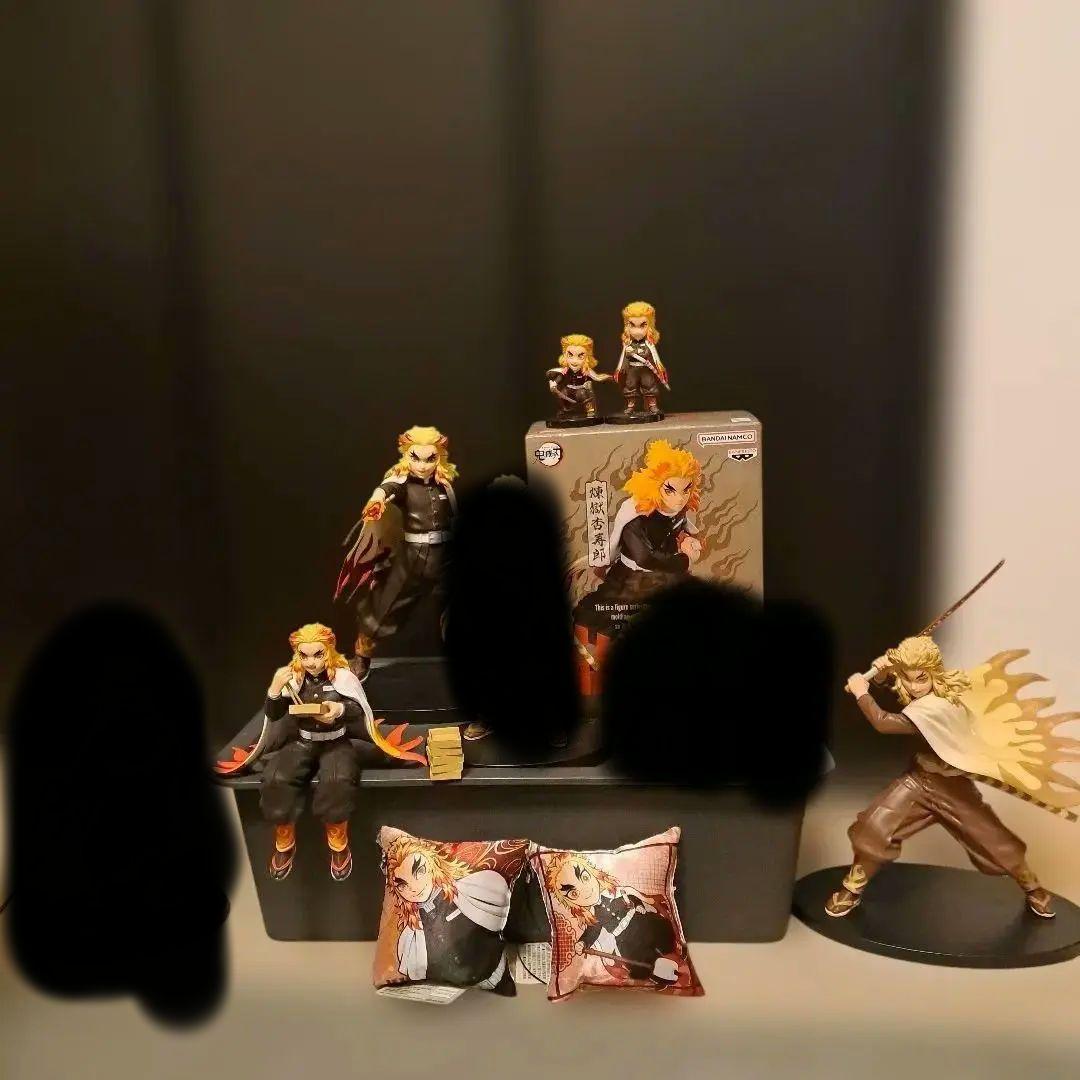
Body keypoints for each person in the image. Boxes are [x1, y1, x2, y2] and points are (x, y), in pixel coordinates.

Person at [827, 635, 1057, 918]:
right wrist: (885, 674)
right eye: (908, 678)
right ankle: (852, 888)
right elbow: (906, 694)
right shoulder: (923, 697)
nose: (914, 686)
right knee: (873, 828)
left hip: (952, 787)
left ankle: (1032, 887)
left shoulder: (943, 703)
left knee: (993, 839)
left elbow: (885, 723)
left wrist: (862, 692)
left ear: (934, 673)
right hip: (919, 782)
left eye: (921, 678)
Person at [572, 440, 702, 694]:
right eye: (671, 490)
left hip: (668, 577)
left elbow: (679, 529)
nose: (679, 498)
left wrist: (688, 540)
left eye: (686, 490)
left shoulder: (679, 508)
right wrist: (685, 560)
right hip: (632, 577)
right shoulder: (636, 514)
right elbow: (644, 557)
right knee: (599, 620)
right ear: (655, 486)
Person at [335, 426, 458, 680]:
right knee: (384, 606)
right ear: (406, 455)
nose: (422, 466)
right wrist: (376, 501)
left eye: (430, 459)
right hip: (413, 558)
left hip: (446, 557)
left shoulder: (444, 485)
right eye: (416, 458)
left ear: (439, 457)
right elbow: (387, 488)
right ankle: (362, 657)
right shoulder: (403, 484)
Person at [259, 623, 374, 883]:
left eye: (318, 654)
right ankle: (284, 840)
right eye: (304, 655)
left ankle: (338, 842)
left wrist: (339, 710)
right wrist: (275, 690)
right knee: (276, 776)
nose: (311, 662)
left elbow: (359, 709)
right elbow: (274, 715)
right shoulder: (293, 680)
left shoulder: (343, 678)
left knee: (337, 780)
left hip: (336, 741)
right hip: (304, 741)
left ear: (329, 651)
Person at [384, 834, 515, 993]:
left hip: (492, 978)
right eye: (402, 885)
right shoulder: (410, 937)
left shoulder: (471, 891)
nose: (413, 888)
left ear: (434, 865)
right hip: (439, 991)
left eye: (419, 871)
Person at [543, 852, 678, 982]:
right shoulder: (593, 915)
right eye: (574, 894)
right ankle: (662, 974)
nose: (586, 890)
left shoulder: (616, 892)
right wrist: (583, 942)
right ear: (571, 902)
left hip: (639, 921)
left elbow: (631, 897)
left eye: (585, 878)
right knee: (640, 962)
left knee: (661, 931)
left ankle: (673, 949)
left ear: (594, 874)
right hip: (625, 939)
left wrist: (638, 905)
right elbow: (592, 931)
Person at [612, 300, 668, 420]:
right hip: (632, 369)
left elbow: (652, 356)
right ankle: (630, 406)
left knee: (649, 385)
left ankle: (652, 406)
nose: (637, 331)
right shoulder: (628, 344)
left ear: (649, 326)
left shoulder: (649, 344)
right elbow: (624, 358)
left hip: (646, 369)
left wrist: (644, 355)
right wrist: (622, 366)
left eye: (643, 325)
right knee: (630, 386)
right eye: (632, 325)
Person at [546, 333, 612, 426]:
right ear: (565, 355)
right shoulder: (565, 370)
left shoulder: (586, 371)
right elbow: (560, 378)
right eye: (570, 355)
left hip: (581, 389)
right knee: (563, 393)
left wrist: (608, 377)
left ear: (587, 357)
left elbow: (596, 378)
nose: (574, 361)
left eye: (580, 356)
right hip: (569, 389)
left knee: (584, 394)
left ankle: (590, 411)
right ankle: (565, 411)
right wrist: (554, 384)